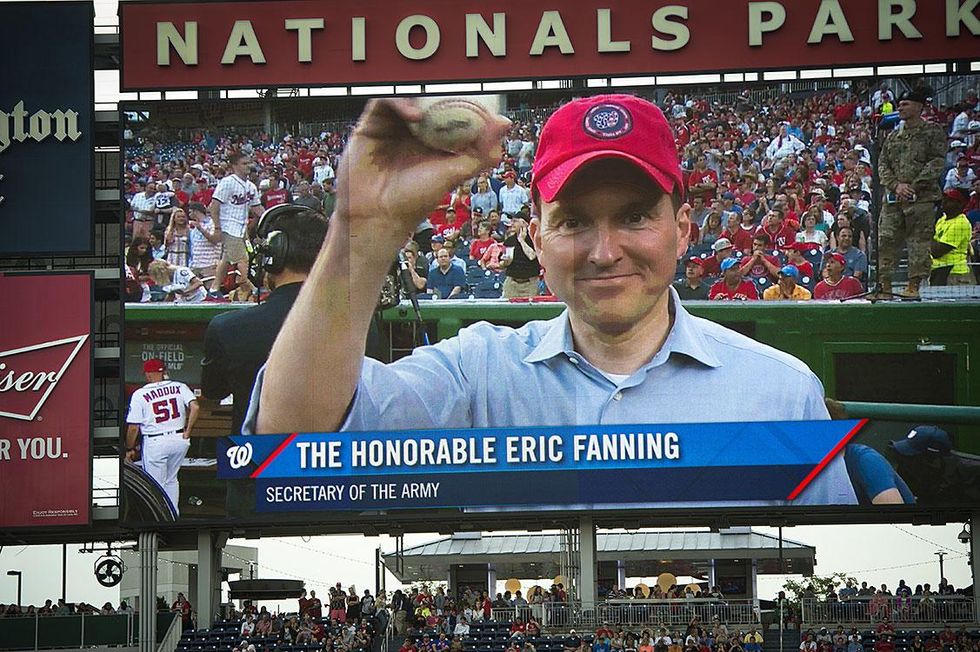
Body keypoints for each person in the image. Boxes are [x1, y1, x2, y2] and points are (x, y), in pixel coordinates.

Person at [247, 94, 856, 506]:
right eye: (573, 223)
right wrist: (362, 230)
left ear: (684, 228)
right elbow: (291, 446)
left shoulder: (781, 389)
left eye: (636, 216)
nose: (604, 250)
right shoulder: (478, 370)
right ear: (535, 238)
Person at [202, 205, 328, 435]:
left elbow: (212, 394)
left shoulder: (226, 329)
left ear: (273, 257)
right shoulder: (363, 327)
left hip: (255, 464)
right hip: (336, 463)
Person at [877, 87, 947, 297]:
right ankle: (884, 286)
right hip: (894, 199)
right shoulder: (893, 136)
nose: (900, 108)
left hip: (921, 199)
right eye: (899, 105)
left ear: (919, 107)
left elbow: (937, 162)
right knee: (886, 240)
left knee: (919, 243)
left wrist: (913, 186)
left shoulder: (932, 131)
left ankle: (913, 286)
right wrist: (896, 186)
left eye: (905, 104)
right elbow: (883, 164)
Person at [126, 359, 199, 515]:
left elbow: (133, 428)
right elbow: (195, 406)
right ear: (163, 371)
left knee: (155, 484)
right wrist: (188, 430)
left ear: (148, 374)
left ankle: (158, 518)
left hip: (156, 441)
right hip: (180, 439)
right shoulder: (180, 386)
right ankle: (173, 516)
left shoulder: (140, 394)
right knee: (171, 479)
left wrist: (129, 447)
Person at [210, 152, 264, 298]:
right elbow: (213, 207)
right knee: (243, 259)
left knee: (227, 258)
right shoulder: (228, 182)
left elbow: (257, 208)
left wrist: (270, 217)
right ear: (234, 166)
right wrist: (217, 228)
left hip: (242, 228)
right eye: (244, 164)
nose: (248, 166)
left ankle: (214, 289)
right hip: (229, 227)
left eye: (249, 163)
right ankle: (250, 287)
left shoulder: (251, 186)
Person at [930, 188, 975, 286]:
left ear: (960, 204)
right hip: (939, 270)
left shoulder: (960, 223)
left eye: (950, 200)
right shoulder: (942, 220)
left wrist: (928, 239)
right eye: (944, 199)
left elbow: (937, 252)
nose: (944, 202)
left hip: (954, 273)